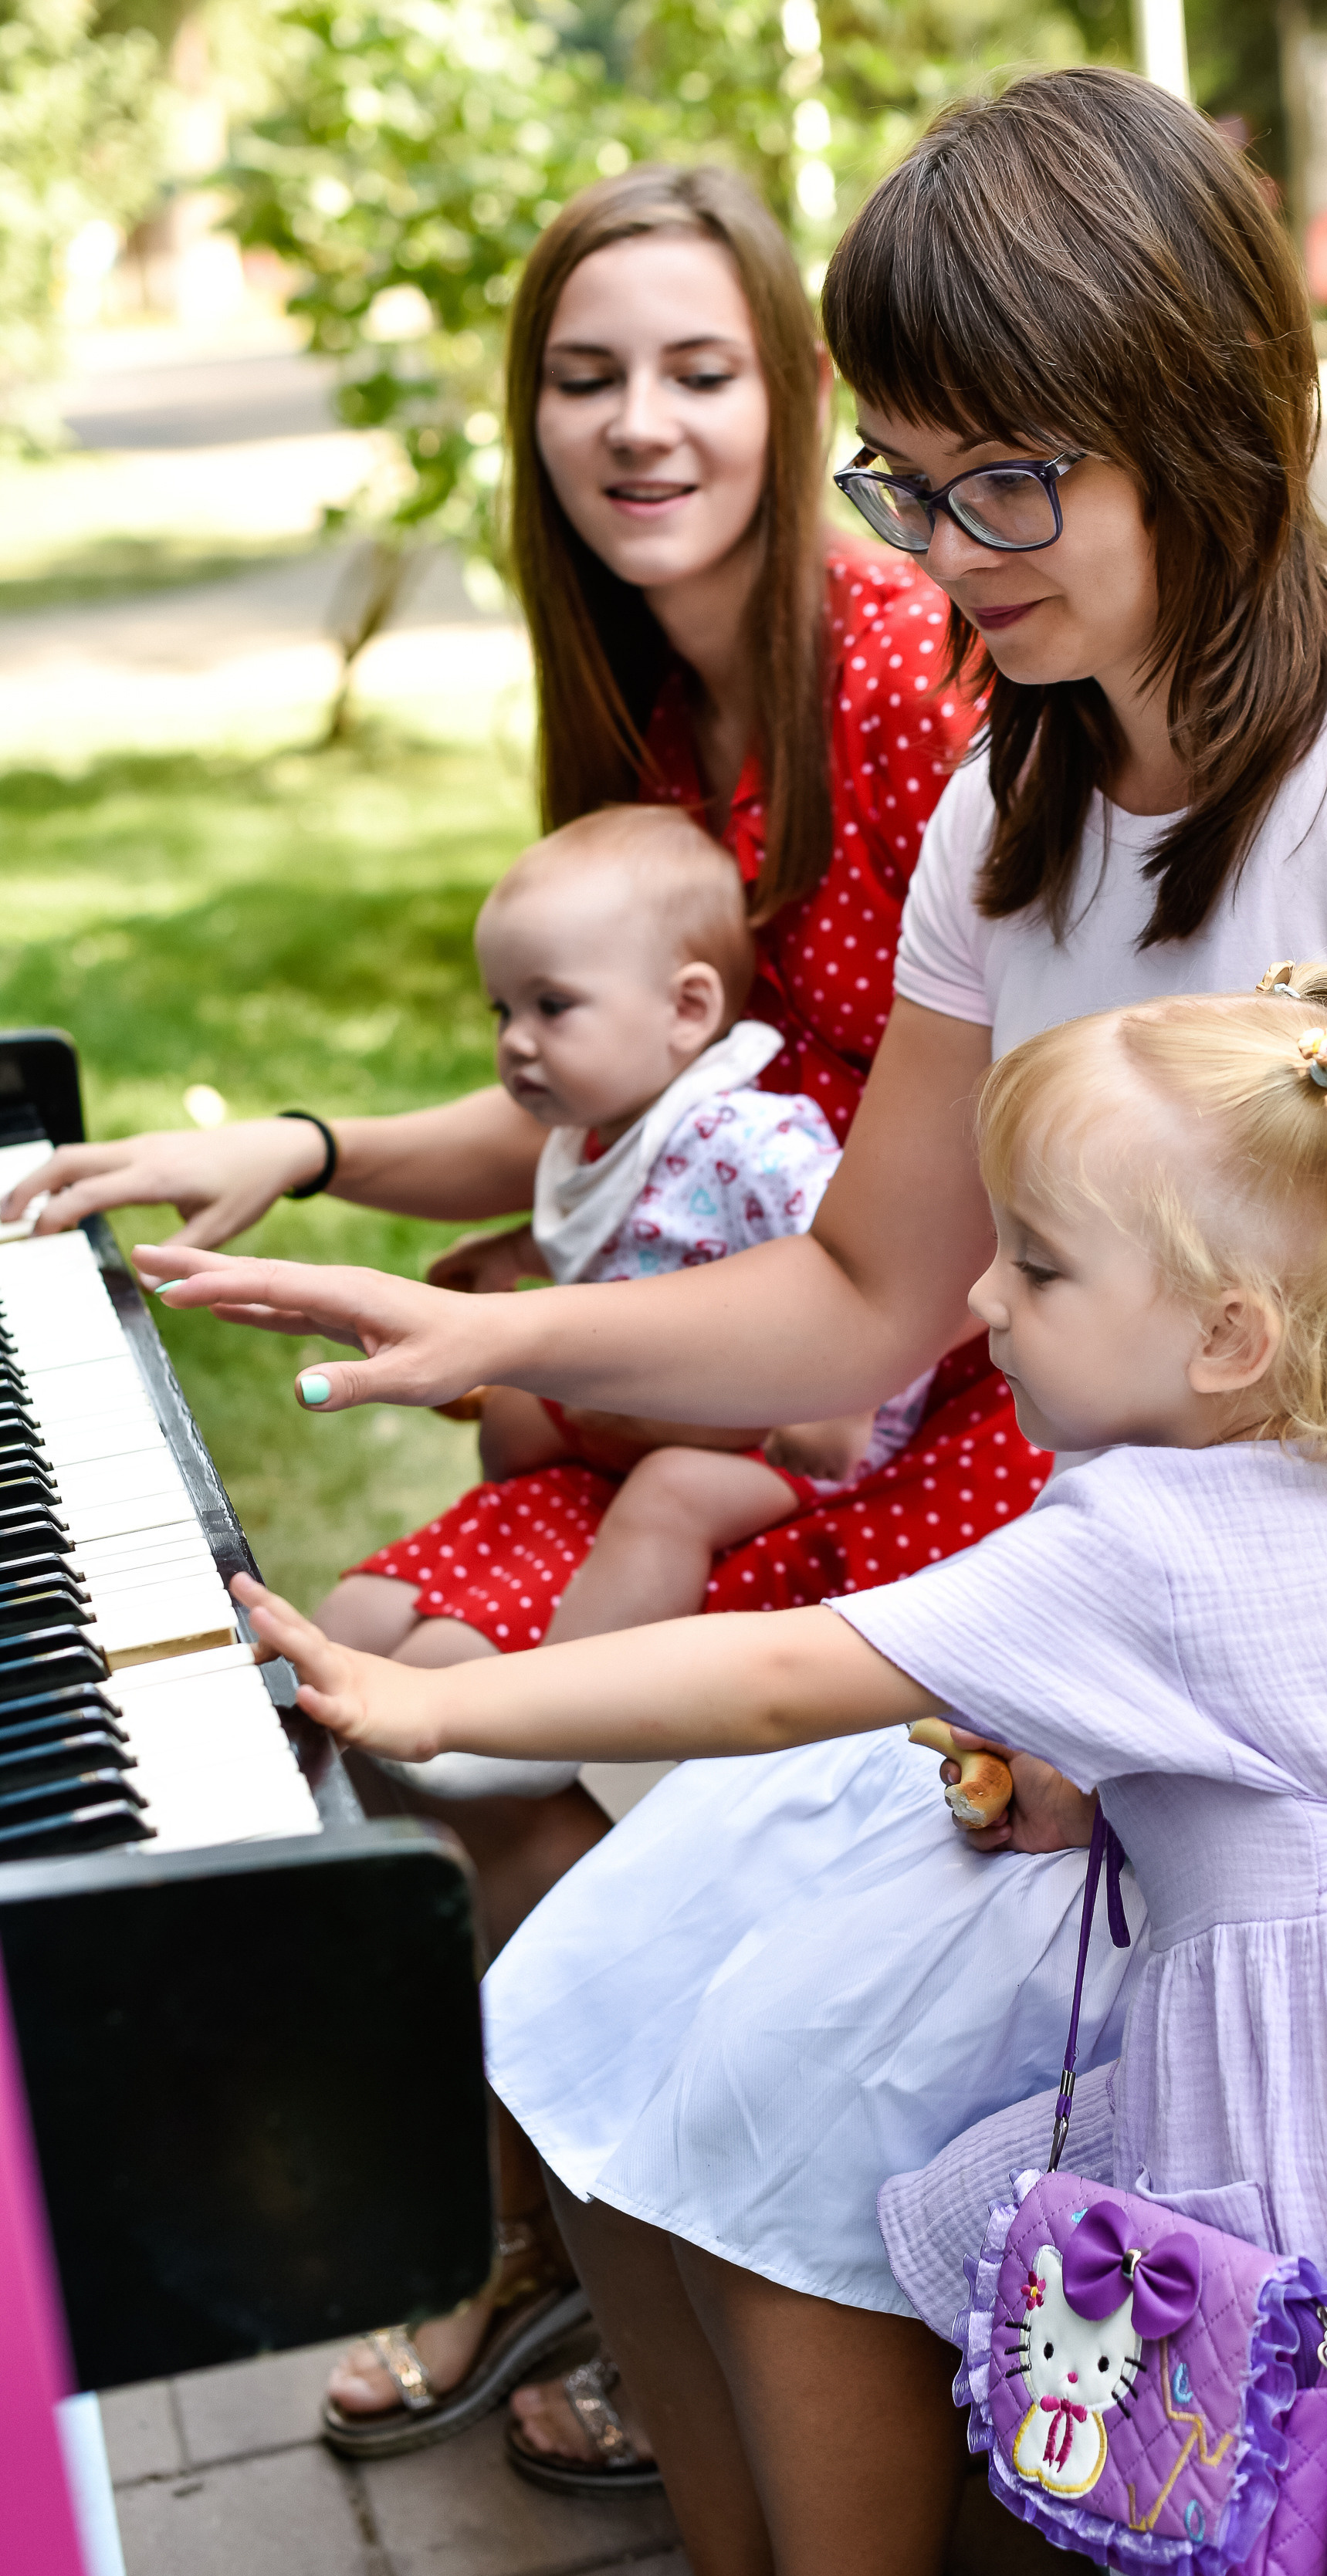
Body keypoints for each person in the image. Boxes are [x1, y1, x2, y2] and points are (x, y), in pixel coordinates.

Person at [125, 66, 1327, 2576]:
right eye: (901, 488)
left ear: (1205, 425)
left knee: (781, 2064)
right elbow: (871, 1294)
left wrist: (1232, 1650)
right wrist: (490, 1333)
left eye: (993, 488)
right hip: (1116, 1683)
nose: (933, 559)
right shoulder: (1021, 812)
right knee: (605, 1988)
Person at [229, 980, 1327, 2576]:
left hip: (1291, 2157)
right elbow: (1321, 1762)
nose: (980, 1304)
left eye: (1039, 1271)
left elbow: (770, 1678)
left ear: (1227, 1333)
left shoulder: (1139, 1536)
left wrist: (427, 1700)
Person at [10, 158, 999, 2459]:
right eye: (582, 378)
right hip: (711, 1363)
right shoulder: (657, 704)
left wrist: (516, 1334)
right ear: (529, 416)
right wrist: (314, 1150)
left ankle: (596, 2222)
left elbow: (901, 1256)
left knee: (434, 1716)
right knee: (364, 1670)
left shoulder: (896, 679)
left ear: (789, 391)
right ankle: (567, 2218)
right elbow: (599, 1098)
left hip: (892, 1411)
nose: (636, 426)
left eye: (695, 371)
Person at [333, 800, 933, 1802]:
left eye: (551, 1007)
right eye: (501, 1013)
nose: (516, 1042)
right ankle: (515, 1538)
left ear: (687, 1011)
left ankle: (555, 1713)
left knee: (672, 1495)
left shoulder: (750, 1131)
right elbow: (634, 1231)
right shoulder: (603, 1130)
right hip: (683, 1394)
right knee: (523, 1410)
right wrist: (511, 1248)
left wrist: (838, 1404)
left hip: (813, 1428)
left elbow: (861, 1248)